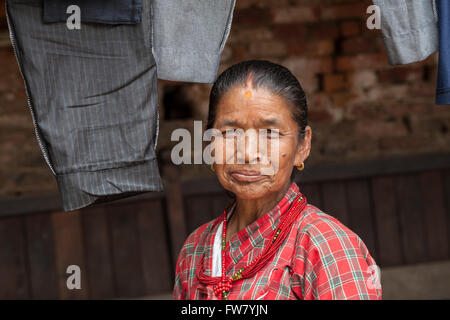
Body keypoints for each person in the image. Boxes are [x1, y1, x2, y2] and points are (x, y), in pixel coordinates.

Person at [173, 60, 382, 300]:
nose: (248, 153)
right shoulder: (195, 248)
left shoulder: (327, 246)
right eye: (230, 132)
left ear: (303, 146)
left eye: (270, 133)